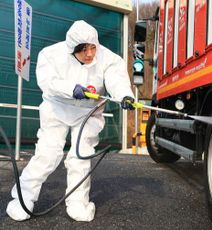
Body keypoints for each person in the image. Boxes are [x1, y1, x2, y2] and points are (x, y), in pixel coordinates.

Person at [6, 20, 135, 222]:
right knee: (47, 155)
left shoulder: (108, 58)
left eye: (93, 47)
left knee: (80, 157)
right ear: (71, 49)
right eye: (83, 50)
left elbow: (115, 78)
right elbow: (48, 81)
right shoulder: (51, 55)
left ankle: (78, 203)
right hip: (57, 109)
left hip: (88, 113)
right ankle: (22, 199)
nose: (90, 54)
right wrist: (71, 89)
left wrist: (124, 96)